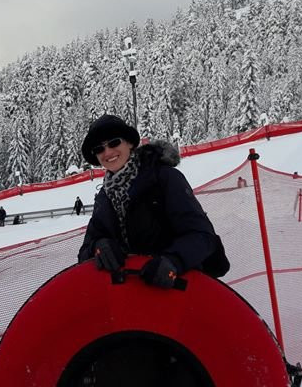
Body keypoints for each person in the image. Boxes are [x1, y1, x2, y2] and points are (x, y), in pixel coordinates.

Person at [77, 115, 229, 289]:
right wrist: (98, 248)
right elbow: (85, 252)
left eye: (114, 142)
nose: (108, 152)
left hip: (176, 290)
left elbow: (203, 236)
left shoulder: (164, 178)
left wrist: (173, 261)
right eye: (99, 149)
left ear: (130, 143)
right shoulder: (105, 197)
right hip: (131, 296)